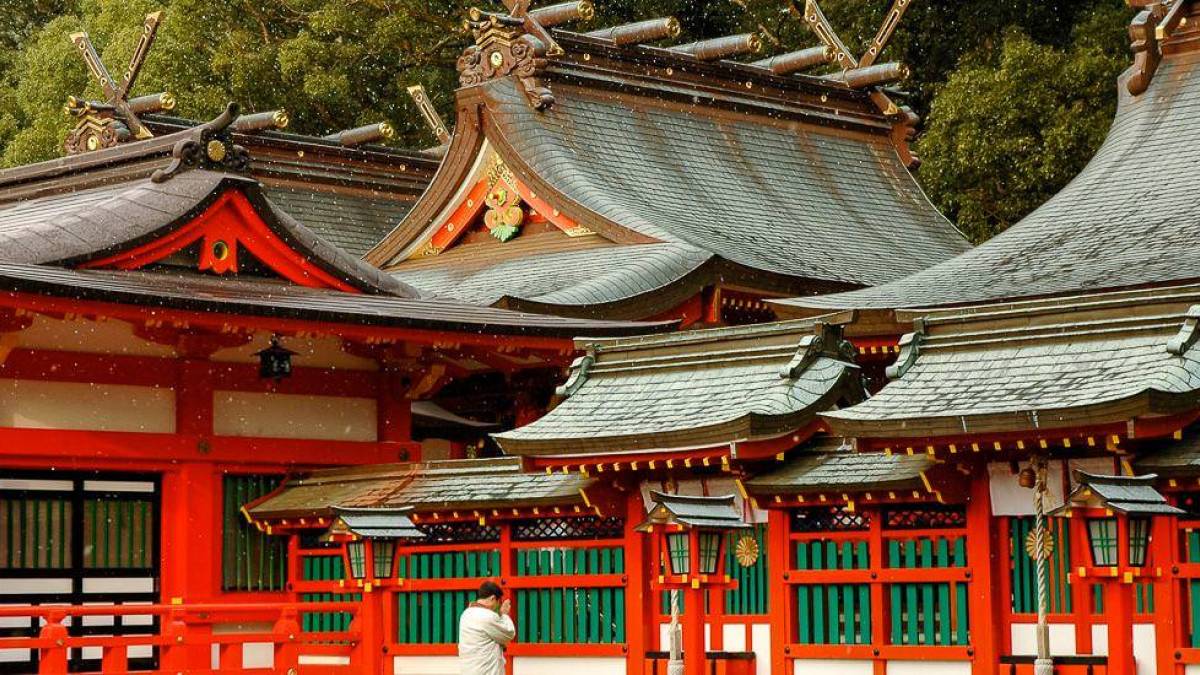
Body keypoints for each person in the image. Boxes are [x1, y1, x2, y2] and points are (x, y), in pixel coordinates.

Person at [458, 580, 515, 675]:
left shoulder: (466, 614)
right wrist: (504, 615)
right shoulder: (488, 616)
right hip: (485, 671)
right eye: (498, 602)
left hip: (468, 670)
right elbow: (509, 633)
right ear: (493, 598)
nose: (497, 606)